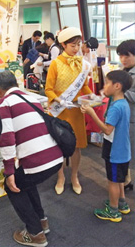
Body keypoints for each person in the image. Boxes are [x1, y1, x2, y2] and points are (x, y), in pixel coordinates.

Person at [0, 71, 63, 247]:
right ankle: (42, 221)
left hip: (38, 162)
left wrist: (8, 170)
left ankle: (35, 233)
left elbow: (7, 138)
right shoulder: (31, 98)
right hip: (55, 157)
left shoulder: (4, 103)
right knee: (26, 181)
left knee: (13, 187)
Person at [45, 27, 92, 195]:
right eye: (73, 45)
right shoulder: (55, 64)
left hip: (76, 111)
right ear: (63, 45)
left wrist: (91, 97)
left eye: (78, 44)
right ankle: (60, 177)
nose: (76, 48)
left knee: (77, 146)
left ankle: (74, 176)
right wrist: (58, 100)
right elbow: (48, 89)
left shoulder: (82, 64)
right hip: (59, 111)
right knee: (59, 145)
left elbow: (84, 86)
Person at [81, 70, 133, 222]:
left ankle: (113, 210)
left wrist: (91, 113)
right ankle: (121, 203)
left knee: (112, 181)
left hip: (115, 151)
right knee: (119, 180)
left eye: (107, 83)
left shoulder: (115, 108)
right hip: (123, 149)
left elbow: (107, 129)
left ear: (117, 86)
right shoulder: (123, 103)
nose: (104, 87)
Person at [116, 39, 135, 191]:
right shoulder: (124, 70)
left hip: (133, 119)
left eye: (126, 56)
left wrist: (118, 90)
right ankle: (126, 180)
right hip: (125, 117)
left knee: (129, 150)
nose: (123, 59)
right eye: (121, 56)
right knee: (125, 149)